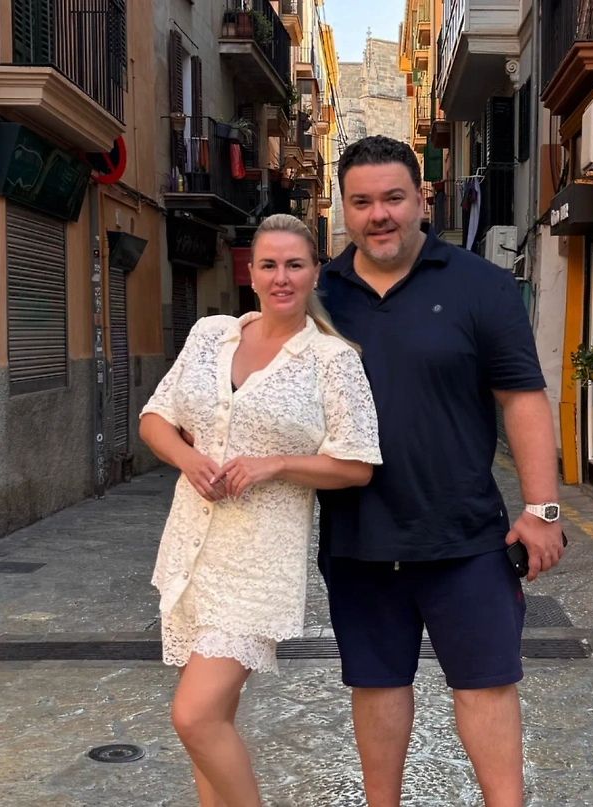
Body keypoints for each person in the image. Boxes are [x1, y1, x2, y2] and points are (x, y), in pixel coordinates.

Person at [317, 135, 565, 807]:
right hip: (358, 538)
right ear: (343, 208)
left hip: (467, 536)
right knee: (375, 684)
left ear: (422, 199)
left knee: (486, 685)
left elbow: (522, 398)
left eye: (393, 198)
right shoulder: (318, 296)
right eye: (361, 202)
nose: (379, 214)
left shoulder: (480, 285)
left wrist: (542, 509)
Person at [139, 213, 382, 807]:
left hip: (259, 563)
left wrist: (275, 464)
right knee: (210, 725)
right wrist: (188, 460)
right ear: (250, 272)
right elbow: (154, 417)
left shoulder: (332, 359)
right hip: (190, 551)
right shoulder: (211, 335)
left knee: (194, 716)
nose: (281, 277)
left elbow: (357, 464)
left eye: (294, 265)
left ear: (315, 272)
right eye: (269, 265)